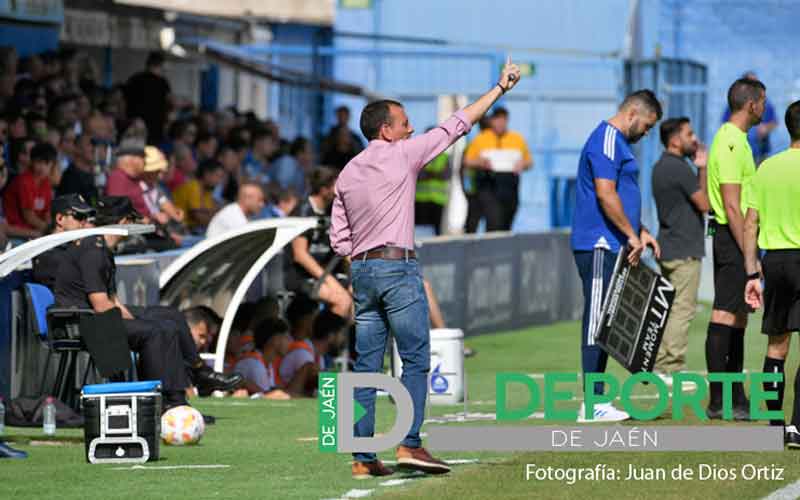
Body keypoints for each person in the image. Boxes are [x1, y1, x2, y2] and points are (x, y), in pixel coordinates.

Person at [331, 57, 522, 479]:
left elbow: (338, 238)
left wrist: (362, 266)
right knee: (415, 358)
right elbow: (458, 124)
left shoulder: (346, 172)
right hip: (397, 268)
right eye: (404, 123)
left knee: (366, 364)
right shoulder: (403, 155)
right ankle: (411, 444)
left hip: (361, 271)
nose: (411, 129)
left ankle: (362, 456)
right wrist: (499, 89)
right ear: (386, 130)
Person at [50, 196, 242, 410]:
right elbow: (101, 305)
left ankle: (185, 392)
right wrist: (140, 325)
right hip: (83, 322)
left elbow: (113, 301)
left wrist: (136, 322)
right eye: (133, 220)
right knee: (157, 331)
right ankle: (163, 405)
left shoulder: (101, 248)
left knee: (169, 319)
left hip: (92, 318)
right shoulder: (93, 250)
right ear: (123, 222)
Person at [571, 89, 662, 422]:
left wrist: (641, 229)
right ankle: (592, 404)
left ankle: (598, 401)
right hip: (599, 243)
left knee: (606, 324)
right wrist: (630, 234)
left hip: (616, 242)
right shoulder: (606, 139)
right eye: (647, 126)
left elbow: (624, 194)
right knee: (596, 321)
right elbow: (606, 194)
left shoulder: (619, 144)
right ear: (633, 114)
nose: (647, 133)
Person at [705, 77, 766, 420]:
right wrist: (749, 255)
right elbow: (731, 205)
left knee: (739, 317)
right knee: (725, 313)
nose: (763, 108)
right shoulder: (729, 141)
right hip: (732, 236)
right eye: (762, 102)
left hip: (737, 237)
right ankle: (719, 400)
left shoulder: (737, 140)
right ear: (751, 104)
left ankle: (735, 396)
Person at [743, 99, 800, 448]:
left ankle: (773, 423)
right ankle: (797, 426)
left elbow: (751, 223)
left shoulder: (766, 167)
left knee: (776, 346)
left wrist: (752, 272)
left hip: (775, 261)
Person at [651, 117, 709, 384]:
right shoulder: (679, 169)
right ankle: (670, 368)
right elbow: (705, 203)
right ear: (674, 140)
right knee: (681, 311)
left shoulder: (660, 166)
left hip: (670, 246)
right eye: (689, 133)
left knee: (670, 310)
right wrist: (703, 168)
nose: (694, 138)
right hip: (683, 249)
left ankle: (661, 365)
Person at [287, 167, 351, 319]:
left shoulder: (332, 211)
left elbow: (344, 249)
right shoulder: (303, 211)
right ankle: (326, 341)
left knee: (361, 298)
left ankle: (347, 342)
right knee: (342, 300)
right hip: (300, 276)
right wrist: (329, 281)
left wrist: (355, 277)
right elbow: (300, 255)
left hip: (327, 272)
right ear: (324, 190)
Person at [462, 107, 533, 231]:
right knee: (494, 220)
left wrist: (522, 164)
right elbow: (467, 161)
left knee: (506, 222)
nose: (500, 123)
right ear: (491, 121)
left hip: (510, 186)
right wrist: (480, 162)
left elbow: (529, 162)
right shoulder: (481, 139)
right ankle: (490, 247)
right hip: (488, 184)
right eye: (497, 120)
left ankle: (502, 248)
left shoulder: (517, 139)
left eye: (503, 120)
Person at [32, 193, 94, 288]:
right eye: (80, 216)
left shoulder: (72, 249)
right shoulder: (47, 255)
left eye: (87, 218)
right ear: (60, 219)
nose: (84, 223)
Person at [721, 72, 778, 165]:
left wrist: (766, 128)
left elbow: (774, 122)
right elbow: (726, 123)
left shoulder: (765, 103)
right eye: (752, 84)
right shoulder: (735, 103)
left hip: (761, 152)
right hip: (741, 152)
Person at [2, 142, 56, 235]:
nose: (42, 167)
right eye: (39, 162)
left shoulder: (46, 182)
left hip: (34, 230)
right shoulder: (24, 181)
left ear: (52, 165)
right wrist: (49, 230)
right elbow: (29, 216)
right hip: (15, 229)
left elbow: (47, 213)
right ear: (32, 161)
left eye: (46, 163)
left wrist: (51, 227)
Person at [233, 317, 292, 399]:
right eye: (286, 337)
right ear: (274, 340)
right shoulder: (255, 364)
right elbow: (267, 397)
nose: (290, 341)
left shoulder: (267, 363)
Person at [124, 52, 172, 145]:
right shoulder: (162, 83)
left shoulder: (134, 79)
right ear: (161, 65)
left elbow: (124, 101)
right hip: (155, 128)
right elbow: (169, 102)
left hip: (134, 125)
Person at [173, 158, 224, 233]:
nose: (219, 181)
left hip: (191, 230)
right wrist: (221, 220)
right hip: (178, 230)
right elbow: (200, 218)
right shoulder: (193, 186)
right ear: (207, 174)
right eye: (217, 176)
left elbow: (212, 212)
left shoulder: (207, 190)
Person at [104, 142, 149, 217]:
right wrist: (140, 219)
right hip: (133, 226)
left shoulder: (134, 179)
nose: (145, 162)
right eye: (143, 158)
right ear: (133, 160)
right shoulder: (118, 178)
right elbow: (117, 210)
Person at [415, 145, 450, 235]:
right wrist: (435, 174)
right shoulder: (418, 156)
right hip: (420, 199)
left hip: (438, 200)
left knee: (436, 230)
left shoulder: (444, 157)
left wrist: (428, 174)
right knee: (419, 229)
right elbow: (417, 175)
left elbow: (445, 175)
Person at [56, 134, 97, 203]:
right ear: (77, 149)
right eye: (88, 145)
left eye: (93, 145)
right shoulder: (70, 177)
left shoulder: (91, 176)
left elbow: (94, 203)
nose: (93, 148)